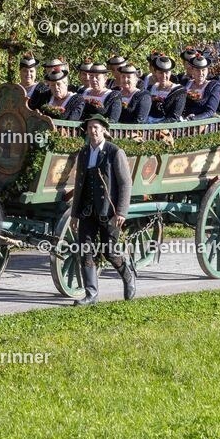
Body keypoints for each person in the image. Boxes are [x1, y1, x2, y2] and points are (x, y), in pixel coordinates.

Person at [69, 114, 135, 305]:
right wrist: (74, 214)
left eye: (96, 127)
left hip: (108, 211)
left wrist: (121, 212)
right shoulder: (83, 153)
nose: (93, 131)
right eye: (90, 128)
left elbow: (125, 183)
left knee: (110, 251)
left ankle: (128, 275)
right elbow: (79, 184)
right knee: (85, 251)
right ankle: (91, 295)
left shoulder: (115, 152)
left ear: (104, 130)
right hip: (87, 211)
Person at [145, 55, 186, 123]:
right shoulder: (151, 88)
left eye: (166, 72)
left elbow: (174, 117)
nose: (164, 76)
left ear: (170, 73)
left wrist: (156, 126)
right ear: (155, 72)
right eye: (160, 73)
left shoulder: (179, 91)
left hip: (168, 126)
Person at [181, 55, 220, 120]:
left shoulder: (214, 86)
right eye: (197, 70)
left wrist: (193, 119)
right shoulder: (186, 83)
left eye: (203, 70)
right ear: (192, 70)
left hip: (202, 123)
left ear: (207, 70)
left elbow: (210, 111)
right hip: (182, 120)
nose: (200, 73)